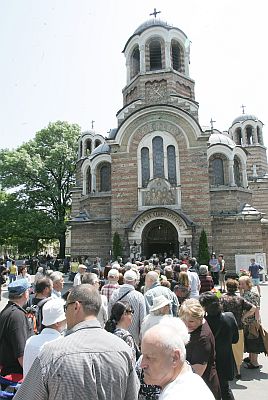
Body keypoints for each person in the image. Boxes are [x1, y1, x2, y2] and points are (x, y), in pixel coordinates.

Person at [14, 284, 139, 400]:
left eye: (65, 307)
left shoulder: (51, 354)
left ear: (76, 306)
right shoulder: (123, 349)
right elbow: (133, 396)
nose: (65, 313)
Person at [141, 323, 214, 400]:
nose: (142, 365)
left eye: (149, 357)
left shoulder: (178, 395)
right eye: (143, 356)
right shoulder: (192, 383)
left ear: (175, 358)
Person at [199, 291, 239, 400]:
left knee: (210, 391)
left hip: (210, 362)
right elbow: (235, 339)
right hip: (226, 359)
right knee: (225, 389)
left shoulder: (203, 323)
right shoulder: (229, 316)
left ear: (204, 307)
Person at [179, 298, 221, 399]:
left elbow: (196, 372)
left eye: (191, 321)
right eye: (183, 320)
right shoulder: (198, 326)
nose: (186, 324)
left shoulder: (202, 339)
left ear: (200, 317)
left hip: (202, 387)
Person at [220, 279, 256, 379]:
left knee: (225, 349)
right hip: (238, 326)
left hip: (225, 327)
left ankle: (226, 369)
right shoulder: (240, 299)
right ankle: (238, 371)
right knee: (238, 349)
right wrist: (244, 317)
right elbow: (253, 308)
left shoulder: (222, 298)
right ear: (237, 288)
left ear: (227, 287)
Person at [23, 298, 66, 376]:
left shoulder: (30, 341)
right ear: (57, 323)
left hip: (27, 387)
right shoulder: (62, 344)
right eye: (65, 318)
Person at [0, 279, 34, 376]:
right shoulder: (18, 316)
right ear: (25, 294)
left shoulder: (6, 311)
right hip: (15, 375)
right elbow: (21, 354)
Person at [109, 269, 146, 345]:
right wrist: (141, 338)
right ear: (135, 281)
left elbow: (109, 313)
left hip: (116, 334)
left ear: (124, 280)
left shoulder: (115, 293)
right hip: (133, 336)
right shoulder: (139, 296)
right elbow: (143, 319)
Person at [239, 275, 261, 368]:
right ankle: (250, 358)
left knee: (253, 341)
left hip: (251, 321)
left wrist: (256, 321)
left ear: (248, 284)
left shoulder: (251, 295)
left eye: (242, 284)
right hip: (248, 322)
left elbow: (256, 308)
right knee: (249, 340)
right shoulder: (245, 293)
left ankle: (254, 362)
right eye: (240, 284)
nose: (240, 285)